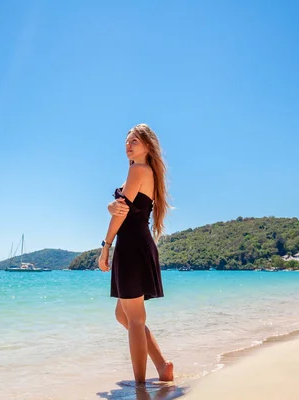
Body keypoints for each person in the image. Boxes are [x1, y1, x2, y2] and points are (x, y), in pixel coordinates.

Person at [98, 123, 174, 384]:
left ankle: (141, 387)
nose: (128, 144)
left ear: (148, 146)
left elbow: (120, 214)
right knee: (125, 316)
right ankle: (163, 367)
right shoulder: (144, 172)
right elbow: (120, 207)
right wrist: (112, 205)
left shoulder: (138, 170)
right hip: (136, 245)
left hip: (131, 247)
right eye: (127, 140)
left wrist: (105, 247)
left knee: (135, 320)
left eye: (135, 141)